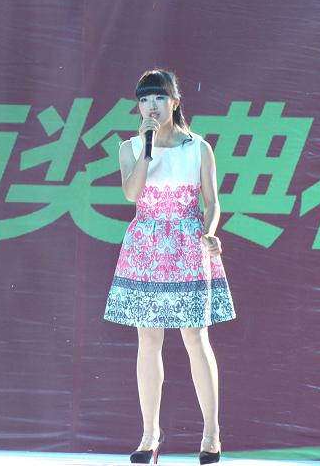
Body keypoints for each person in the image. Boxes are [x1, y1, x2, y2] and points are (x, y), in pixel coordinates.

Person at [104, 69, 236, 464]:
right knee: (148, 340)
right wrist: (147, 149)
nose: (152, 106)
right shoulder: (130, 147)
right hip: (146, 246)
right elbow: (132, 194)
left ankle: (211, 433)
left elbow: (212, 202)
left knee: (195, 337)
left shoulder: (199, 148)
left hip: (187, 243)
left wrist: (209, 232)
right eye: (144, 100)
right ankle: (150, 435)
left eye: (159, 98)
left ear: (175, 102)